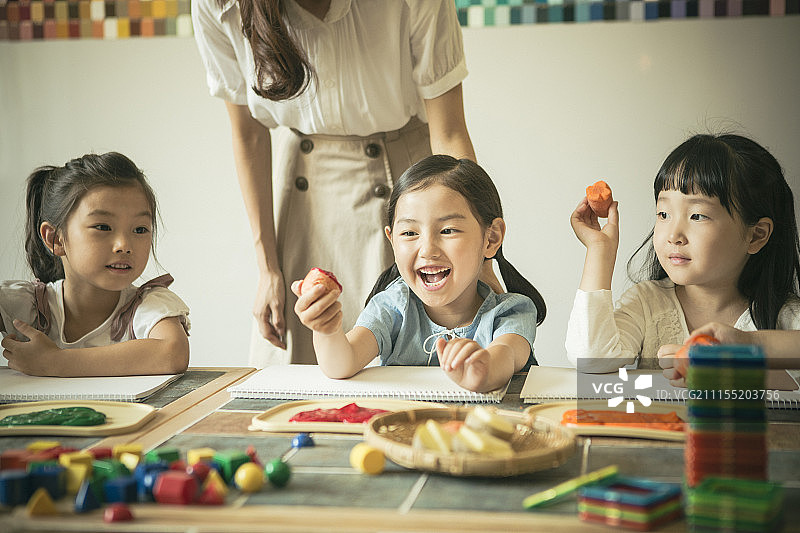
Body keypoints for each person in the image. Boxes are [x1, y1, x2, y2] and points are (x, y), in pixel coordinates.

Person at [191, 0, 485, 366]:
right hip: (303, 195)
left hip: (409, 190)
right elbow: (248, 135)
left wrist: (482, 265)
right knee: (304, 378)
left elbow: (450, 131)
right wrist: (268, 269)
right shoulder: (220, 6)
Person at [292, 155, 546, 392]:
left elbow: (505, 356)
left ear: (491, 238)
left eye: (448, 230)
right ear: (392, 241)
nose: (427, 250)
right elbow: (342, 364)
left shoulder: (512, 312)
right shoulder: (391, 307)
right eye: (410, 233)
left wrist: (482, 368)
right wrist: (326, 329)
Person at [565, 133, 800, 385]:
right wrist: (600, 250)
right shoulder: (647, 303)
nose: (673, 235)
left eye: (697, 216)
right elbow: (589, 360)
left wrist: (745, 349)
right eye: (664, 213)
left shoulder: (783, 316)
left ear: (755, 236)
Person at [0, 153, 190, 377]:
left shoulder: (147, 305)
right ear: (56, 238)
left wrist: (56, 362)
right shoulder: (25, 305)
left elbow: (172, 353)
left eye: (140, 229)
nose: (124, 245)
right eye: (103, 227)